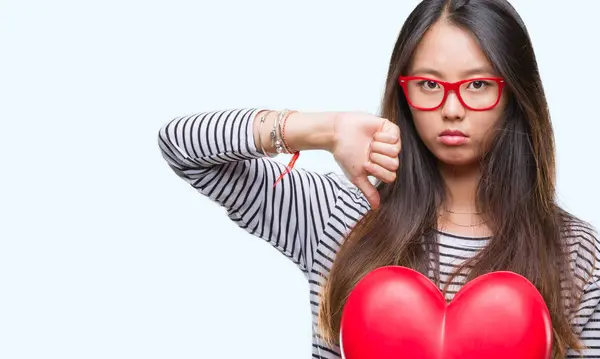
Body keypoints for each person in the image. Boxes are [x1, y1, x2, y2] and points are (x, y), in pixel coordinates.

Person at [157, 0, 599, 358]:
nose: (451, 108)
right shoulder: (339, 216)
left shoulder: (575, 251)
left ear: (515, 94)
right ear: (402, 92)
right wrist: (321, 130)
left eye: (478, 85)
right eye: (428, 84)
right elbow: (182, 146)